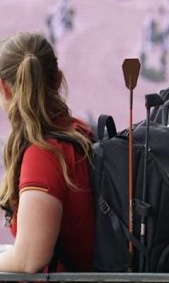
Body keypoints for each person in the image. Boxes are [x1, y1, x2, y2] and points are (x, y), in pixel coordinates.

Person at [0, 32, 94, 272]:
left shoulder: (44, 154)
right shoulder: (78, 131)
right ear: (57, 79)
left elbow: (30, 259)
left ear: (4, 88)